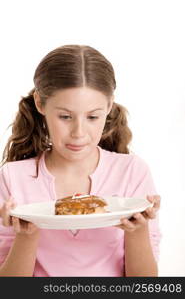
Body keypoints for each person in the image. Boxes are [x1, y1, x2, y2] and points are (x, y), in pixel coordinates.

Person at [0, 44, 161, 277]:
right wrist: (26, 235)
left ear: (109, 106)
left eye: (93, 117)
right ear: (40, 103)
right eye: (65, 116)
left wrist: (137, 231)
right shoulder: (13, 178)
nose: (78, 132)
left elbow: (145, 286)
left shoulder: (132, 172)